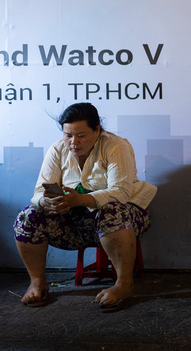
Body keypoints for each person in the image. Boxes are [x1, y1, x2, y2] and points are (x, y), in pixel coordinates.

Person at [13, 102, 157, 310]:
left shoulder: (116, 146)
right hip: (76, 224)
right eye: (68, 135)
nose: (73, 142)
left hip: (124, 221)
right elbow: (37, 193)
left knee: (112, 210)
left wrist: (79, 199)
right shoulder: (57, 149)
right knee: (28, 216)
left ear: (97, 130)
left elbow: (120, 193)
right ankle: (37, 283)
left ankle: (123, 284)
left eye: (81, 135)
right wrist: (48, 201)